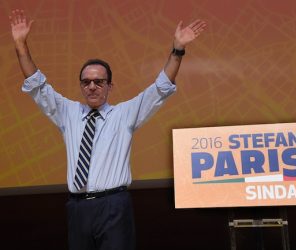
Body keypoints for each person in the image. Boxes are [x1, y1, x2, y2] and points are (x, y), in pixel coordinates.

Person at [9, 9, 206, 250]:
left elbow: (161, 88)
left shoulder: (124, 114)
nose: (92, 87)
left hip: (114, 206)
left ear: (109, 86)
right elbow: (37, 84)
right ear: (81, 86)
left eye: (99, 81)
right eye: (86, 82)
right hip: (78, 207)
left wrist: (178, 49)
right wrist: (21, 44)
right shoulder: (67, 112)